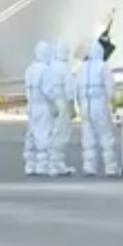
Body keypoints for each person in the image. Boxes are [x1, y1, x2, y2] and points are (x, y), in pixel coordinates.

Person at [76, 40, 117, 176]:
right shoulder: (103, 66)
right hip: (98, 103)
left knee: (88, 136)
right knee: (105, 135)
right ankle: (110, 168)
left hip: (85, 105)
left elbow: (76, 87)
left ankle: (89, 167)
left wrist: (79, 104)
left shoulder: (82, 67)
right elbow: (110, 86)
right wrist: (110, 101)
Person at [23, 41, 56, 175]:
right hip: (42, 105)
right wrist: (55, 104)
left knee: (31, 134)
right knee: (43, 134)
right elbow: (48, 90)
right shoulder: (45, 69)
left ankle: (30, 165)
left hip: (31, 105)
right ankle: (42, 165)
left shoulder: (29, 69)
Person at [48, 41, 76, 176]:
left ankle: (47, 163)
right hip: (61, 101)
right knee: (61, 132)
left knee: (51, 132)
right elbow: (70, 89)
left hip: (49, 102)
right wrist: (72, 108)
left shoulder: (49, 65)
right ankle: (57, 164)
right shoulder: (64, 68)